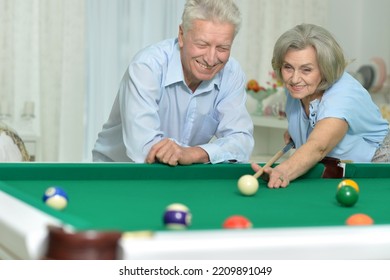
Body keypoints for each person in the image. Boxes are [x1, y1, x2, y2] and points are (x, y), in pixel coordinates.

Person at [92, 0, 254, 166]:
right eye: (202, 44)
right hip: (118, 172)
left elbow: (241, 141)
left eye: (222, 48)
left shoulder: (231, 72)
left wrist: (195, 153)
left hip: (180, 173)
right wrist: (193, 154)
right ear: (181, 35)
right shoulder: (147, 67)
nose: (211, 59)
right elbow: (144, 147)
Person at [251, 23, 390, 188]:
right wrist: (298, 131)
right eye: (288, 67)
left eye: (306, 70)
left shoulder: (343, 94)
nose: (294, 79)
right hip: (339, 170)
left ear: (325, 69)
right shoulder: (297, 89)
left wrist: (283, 171)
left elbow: (319, 146)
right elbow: (315, 125)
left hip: (379, 164)